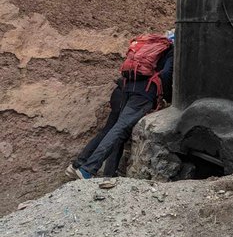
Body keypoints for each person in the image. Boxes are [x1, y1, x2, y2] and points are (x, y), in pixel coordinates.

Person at [66, 32, 175, 179]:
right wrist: (167, 96)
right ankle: (88, 169)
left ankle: (89, 168)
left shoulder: (153, 46)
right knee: (119, 129)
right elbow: (167, 73)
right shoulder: (171, 49)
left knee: (115, 130)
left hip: (125, 89)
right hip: (143, 94)